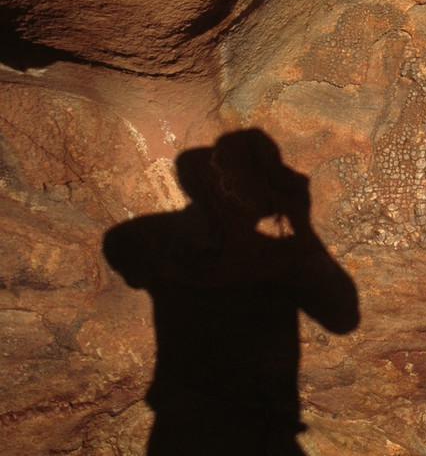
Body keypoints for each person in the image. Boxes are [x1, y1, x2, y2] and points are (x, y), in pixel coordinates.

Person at [103, 129, 359, 455]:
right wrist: (299, 226)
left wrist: (301, 227)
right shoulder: (183, 245)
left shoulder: (273, 256)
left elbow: (343, 317)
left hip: (242, 430)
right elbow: (122, 248)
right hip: (201, 427)